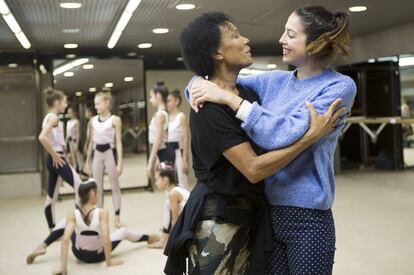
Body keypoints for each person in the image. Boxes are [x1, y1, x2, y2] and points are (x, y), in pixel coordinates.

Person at [164, 12, 346, 275]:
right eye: (236, 35)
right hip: (220, 218)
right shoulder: (212, 107)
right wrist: (309, 139)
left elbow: (277, 131)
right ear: (217, 52)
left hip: (272, 214)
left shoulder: (250, 92)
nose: (247, 39)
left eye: (291, 34)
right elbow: (253, 168)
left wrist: (211, 88)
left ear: (315, 43)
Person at [26, 180, 159, 274]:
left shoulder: (72, 214)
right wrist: (109, 262)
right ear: (92, 195)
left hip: (80, 254)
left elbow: (66, 240)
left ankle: (41, 247)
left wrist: (63, 268)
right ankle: (149, 238)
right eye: (97, 192)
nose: (98, 195)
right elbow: (106, 240)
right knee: (123, 231)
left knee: (66, 223)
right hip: (98, 255)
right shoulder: (102, 213)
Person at [39, 87, 81, 230]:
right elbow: (42, 137)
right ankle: (80, 224)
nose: (66, 105)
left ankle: (52, 229)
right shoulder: (54, 117)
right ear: (57, 102)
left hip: (53, 159)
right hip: (56, 158)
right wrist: (55, 155)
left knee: (52, 196)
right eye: (64, 102)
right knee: (81, 187)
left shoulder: (48, 117)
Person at [85, 92, 124, 228]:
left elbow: (118, 142)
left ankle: (117, 217)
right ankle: (99, 217)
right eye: (95, 104)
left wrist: (120, 162)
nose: (96, 107)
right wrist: (87, 162)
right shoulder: (92, 121)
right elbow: (90, 142)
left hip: (109, 153)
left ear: (107, 103)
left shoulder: (115, 120)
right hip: (97, 154)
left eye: (98, 103)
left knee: (115, 186)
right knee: (98, 188)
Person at [148, 169, 189, 249]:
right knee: (167, 204)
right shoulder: (178, 187)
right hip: (189, 216)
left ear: (165, 179)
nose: (156, 183)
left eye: (157, 180)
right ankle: (163, 240)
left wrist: (173, 239)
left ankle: (163, 241)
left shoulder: (173, 194)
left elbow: (174, 220)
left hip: (191, 220)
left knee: (167, 204)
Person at [147, 81, 174, 180]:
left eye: (151, 97)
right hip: (162, 152)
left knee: (168, 183)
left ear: (158, 96)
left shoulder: (160, 114)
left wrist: (150, 161)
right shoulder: (160, 113)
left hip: (165, 153)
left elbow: (158, 140)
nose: (150, 100)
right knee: (165, 183)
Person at [166, 89, 190, 189]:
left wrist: (184, 159)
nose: (167, 103)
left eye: (169, 100)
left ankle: (187, 204)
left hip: (178, 153)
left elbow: (186, 139)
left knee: (182, 182)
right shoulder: (167, 117)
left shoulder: (181, 117)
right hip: (168, 152)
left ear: (176, 101)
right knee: (169, 181)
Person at [66, 106, 83, 173]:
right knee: (72, 155)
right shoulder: (68, 122)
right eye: (68, 112)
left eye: (70, 112)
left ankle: (81, 168)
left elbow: (78, 133)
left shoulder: (76, 121)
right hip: (70, 141)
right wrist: (65, 142)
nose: (69, 114)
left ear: (74, 113)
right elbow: (67, 134)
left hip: (75, 140)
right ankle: (75, 168)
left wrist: (77, 144)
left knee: (78, 155)